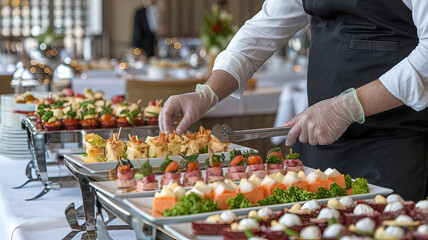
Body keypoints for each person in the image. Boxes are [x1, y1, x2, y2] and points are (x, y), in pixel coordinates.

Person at [159, 0, 428, 201]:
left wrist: (350, 105)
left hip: (395, 144)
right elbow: (262, 31)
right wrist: (207, 93)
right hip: (323, 145)